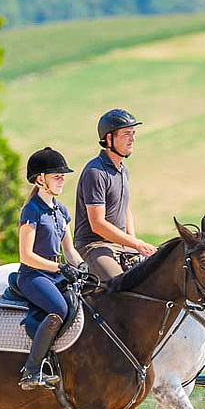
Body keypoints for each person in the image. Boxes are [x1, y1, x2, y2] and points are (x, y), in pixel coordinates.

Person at [16, 147, 85, 391]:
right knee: (59, 308)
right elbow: (26, 255)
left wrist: (82, 267)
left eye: (62, 175)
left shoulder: (61, 210)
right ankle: (31, 370)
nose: (62, 179)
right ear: (40, 179)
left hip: (55, 273)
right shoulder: (31, 210)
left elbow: (69, 250)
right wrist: (60, 268)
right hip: (33, 275)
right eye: (56, 175)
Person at [73, 108, 157, 282]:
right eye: (127, 134)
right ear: (109, 138)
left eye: (133, 133)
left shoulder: (122, 170)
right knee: (121, 286)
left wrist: (133, 242)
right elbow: (97, 224)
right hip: (94, 247)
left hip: (120, 246)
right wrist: (136, 244)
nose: (133, 139)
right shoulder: (95, 172)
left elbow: (125, 209)